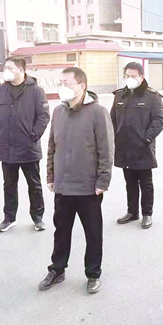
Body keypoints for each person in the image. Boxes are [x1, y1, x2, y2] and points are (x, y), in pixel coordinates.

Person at [39, 67, 114, 294]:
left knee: (93, 233)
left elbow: (106, 149)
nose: (63, 87)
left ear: (82, 86)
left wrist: (102, 181)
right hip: (63, 185)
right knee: (61, 231)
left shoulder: (98, 112)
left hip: (88, 187)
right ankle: (57, 269)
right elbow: (52, 146)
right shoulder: (58, 112)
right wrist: (51, 175)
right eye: (61, 82)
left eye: (67, 83)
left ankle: (93, 273)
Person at [0, 57, 50, 232]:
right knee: (9, 185)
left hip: (28, 147)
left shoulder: (35, 91)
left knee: (34, 184)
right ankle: (9, 218)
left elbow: (43, 116)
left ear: (21, 70)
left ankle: (38, 217)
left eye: (10, 68)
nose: (6, 71)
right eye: (5, 67)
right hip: (6, 146)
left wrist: (33, 136)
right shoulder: (1, 90)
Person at [111, 62, 163, 229]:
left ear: (141, 76)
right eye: (127, 76)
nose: (129, 79)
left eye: (133, 76)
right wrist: (114, 138)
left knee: (146, 183)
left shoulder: (152, 96)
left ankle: (147, 214)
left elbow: (159, 120)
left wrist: (146, 138)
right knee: (130, 182)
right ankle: (132, 212)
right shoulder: (119, 95)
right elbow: (112, 119)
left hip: (143, 147)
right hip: (124, 146)